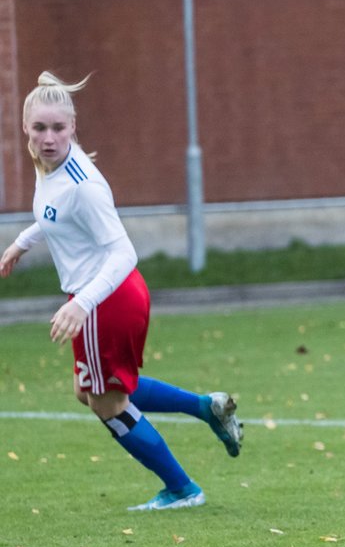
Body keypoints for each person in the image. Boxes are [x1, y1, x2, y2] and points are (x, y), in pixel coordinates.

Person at [0, 72, 243, 511]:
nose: (49, 137)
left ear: (74, 127)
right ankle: (206, 408)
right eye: (40, 129)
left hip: (105, 297)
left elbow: (123, 251)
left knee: (107, 403)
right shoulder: (52, 168)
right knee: (89, 390)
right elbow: (57, 216)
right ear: (25, 129)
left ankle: (182, 490)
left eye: (58, 128)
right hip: (109, 295)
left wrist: (83, 305)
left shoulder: (83, 184)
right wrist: (22, 243)